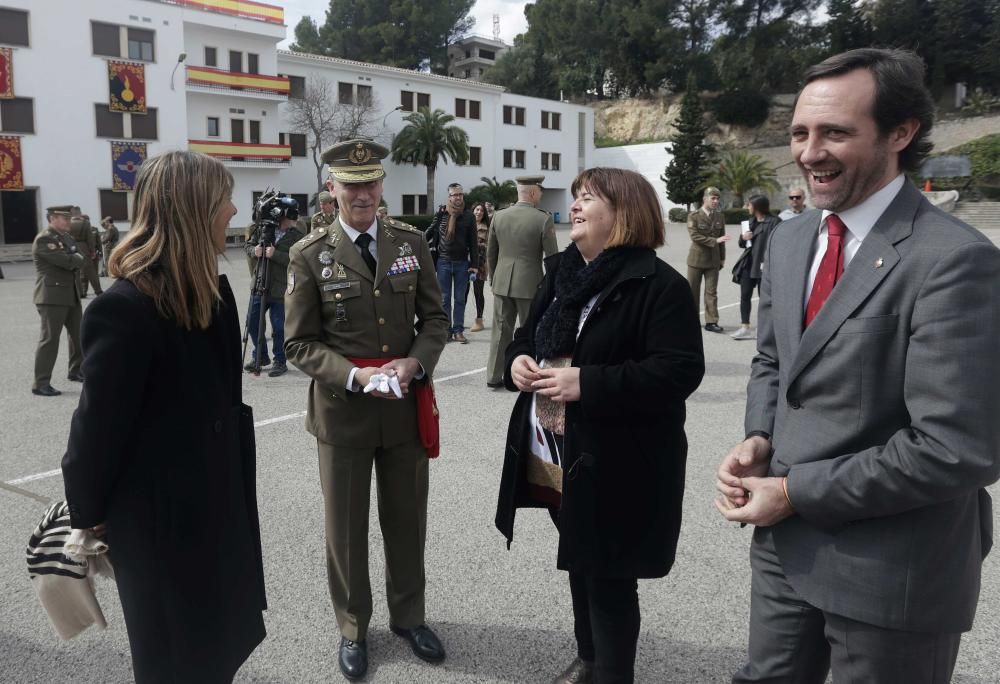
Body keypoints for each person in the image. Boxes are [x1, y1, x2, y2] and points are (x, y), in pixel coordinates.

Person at [715, 48, 1000, 684]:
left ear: (901, 133)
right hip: (785, 552)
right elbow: (773, 359)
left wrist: (793, 493)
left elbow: (959, 447)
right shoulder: (789, 240)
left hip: (894, 569)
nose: (809, 151)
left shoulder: (953, 259)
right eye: (800, 132)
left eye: (835, 132)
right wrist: (760, 437)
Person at [61, 150, 267, 683]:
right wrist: (88, 514)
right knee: (175, 662)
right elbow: (95, 434)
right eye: (223, 200)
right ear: (196, 212)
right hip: (161, 530)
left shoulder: (212, 297)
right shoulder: (124, 309)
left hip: (216, 511)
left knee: (215, 652)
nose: (233, 210)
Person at [496, 167, 705, 684]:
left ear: (625, 212)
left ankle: (610, 672)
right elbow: (528, 336)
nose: (576, 205)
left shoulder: (658, 285)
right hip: (555, 449)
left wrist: (585, 383)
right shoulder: (563, 272)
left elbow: (678, 370)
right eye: (577, 197)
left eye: (588, 197)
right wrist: (518, 361)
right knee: (579, 559)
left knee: (610, 580)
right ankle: (589, 658)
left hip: (617, 460)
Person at [284, 138, 449, 682]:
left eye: (371, 182)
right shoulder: (309, 254)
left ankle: (410, 617)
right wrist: (355, 376)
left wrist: (414, 365)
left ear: (382, 186)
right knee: (346, 530)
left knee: (407, 521)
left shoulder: (410, 243)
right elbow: (299, 344)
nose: (362, 193)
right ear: (331, 188)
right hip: (344, 414)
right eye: (351, 184)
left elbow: (435, 320)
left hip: (403, 410)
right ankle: (353, 627)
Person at [486, 175, 558, 387]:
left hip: (502, 282)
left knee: (500, 330)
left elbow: (491, 253)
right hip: (530, 284)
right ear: (534, 193)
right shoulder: (543, 218)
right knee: (531, 330)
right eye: (541, 193)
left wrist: (493, 278)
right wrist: (553, 287)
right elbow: (552, 258)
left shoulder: (499, 216)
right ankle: (531, 377)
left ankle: (493, 376)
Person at [244, 206, 304, 377]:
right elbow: (248, 245)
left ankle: (280, 360)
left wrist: (275, 254)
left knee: (279, 327)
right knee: (253, 322)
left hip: (281, 288)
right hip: (259, 284)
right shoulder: (263, 230)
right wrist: (254, 251)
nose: (291, 220)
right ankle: (260, 356)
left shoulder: (297, 236)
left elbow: (298, 261)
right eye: (288, 217)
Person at [31, 205, 85, 397]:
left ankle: (76, 370)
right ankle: (41, 383)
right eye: (64, 218)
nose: (68, 221)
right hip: (51, 296)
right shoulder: (45, 238)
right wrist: (74, 258)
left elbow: (79, 257)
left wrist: (75, 258)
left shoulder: (67, 237)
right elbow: (69, 261)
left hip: (71, 294)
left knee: (78, 335)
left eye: (69, 218)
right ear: (52, 219)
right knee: (50, 339)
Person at [425, 183, 478, 343]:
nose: (458, 197)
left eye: (460, 194)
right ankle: (446, 330)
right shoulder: (441, 214)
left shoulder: (469, 216)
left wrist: (474, 265)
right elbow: (430, 231)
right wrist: (416, 242)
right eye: (455, 195)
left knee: (460, 299)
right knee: (444, 299)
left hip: (462, 263)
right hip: (444, 262)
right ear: (449, 197)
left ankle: (458, 330)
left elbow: (473, 242)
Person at [730, 195, 781, 340]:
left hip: (765, 265)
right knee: (744, 296)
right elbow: (742, 245)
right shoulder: (750, 222)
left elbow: (779, 243)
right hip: (749, 264)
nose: (747, 207)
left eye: (749, 205)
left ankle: (763, 329)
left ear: (757, 206)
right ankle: (744, 327)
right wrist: (743, 238)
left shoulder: (774, 222)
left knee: (764, 298)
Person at [686, 186, 729, 333]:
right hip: (696, 260)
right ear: (705, 199)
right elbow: (695, 236)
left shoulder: (720, 217)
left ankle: (711, 322)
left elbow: (722, 239)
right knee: (693, 291)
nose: (716, 201)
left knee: (711, 292)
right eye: (713, 198)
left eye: (717, 198)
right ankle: (691, 320)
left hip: (713, 260)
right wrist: (714, 241)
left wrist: (722, 257)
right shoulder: (694, 216)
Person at [466, 201, 490, 333]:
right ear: (472, 211)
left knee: (478, 292)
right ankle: (459, 320)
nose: (479, 212)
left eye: (481, 210)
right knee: (462, 292)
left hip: (480, 264)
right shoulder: (466, 225)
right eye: (476, 210)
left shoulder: (488, 227)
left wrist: (477, 246)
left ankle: (479, 319)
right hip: (465, 263)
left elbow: (491, 246)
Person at [70, 208, 103, 298]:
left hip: (72, 248)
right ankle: (98, 290)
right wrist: (92, 251)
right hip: (84, 248)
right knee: (91, 272)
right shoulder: (85, 223)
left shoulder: (68, 223)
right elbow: (90, 239)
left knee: (76, 272)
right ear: (80, 213)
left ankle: (80, 292)